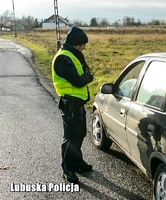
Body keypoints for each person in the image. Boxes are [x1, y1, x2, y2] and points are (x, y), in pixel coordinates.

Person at [51, 26, 94, 184]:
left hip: (77, 102)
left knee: (80, 134)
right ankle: (67, 168)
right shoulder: (64, 58)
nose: (84, 47)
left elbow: (83, 75)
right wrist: (89, 77)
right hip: (69, 102)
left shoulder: (72, 55)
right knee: (71, 137)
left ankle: (76, 162)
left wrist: (87, 75)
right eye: (83, 44)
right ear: (76, 43)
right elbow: (78, 80)